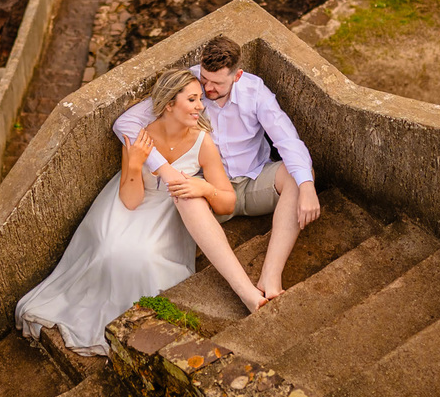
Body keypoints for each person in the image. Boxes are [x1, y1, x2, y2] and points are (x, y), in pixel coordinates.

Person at [16, 68, 266, 357]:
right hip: (128, 201)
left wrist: (203, 189)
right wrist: (134, 165)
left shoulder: (202, 142)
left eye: (200, 99)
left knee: (143, 258)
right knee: (109, 249)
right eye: (193, 99)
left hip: (167, 210)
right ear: (169, 105)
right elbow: (130, 199)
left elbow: (227, 202)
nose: (201, 106)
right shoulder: (138, 136)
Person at [114, 36, 320, 300]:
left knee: (302, 176)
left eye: (217, 83)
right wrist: (164, 168)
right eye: (205, 78)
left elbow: (287, 139)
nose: (208, 88)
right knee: (183, 193)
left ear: (237, 76)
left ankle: (271, 274)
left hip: (256, 179)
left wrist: (307, 187)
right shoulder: (190, 87)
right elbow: (125, 124)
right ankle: (245, 291)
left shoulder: (255, 92)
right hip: (211, 189)